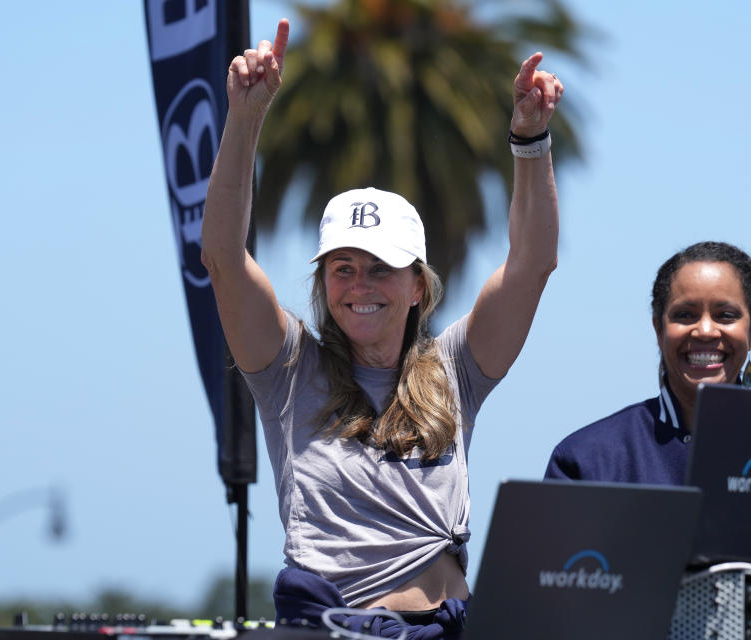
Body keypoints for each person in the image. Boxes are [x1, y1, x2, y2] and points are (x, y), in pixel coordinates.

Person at [200, 18, 563, 639]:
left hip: (451, 625)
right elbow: (223, 258)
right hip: (334, 630)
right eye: (343, 268)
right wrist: (245, 118)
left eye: (381, 269)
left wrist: (530, 142)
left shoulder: (456, 369)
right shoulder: (288, 371)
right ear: (322, 283)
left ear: (418, 285)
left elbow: (532, 264)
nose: (360, 286)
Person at [544, 241, 751, 551]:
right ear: (659, 329)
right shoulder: (587, 462)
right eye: (685, 315)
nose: (705, 331)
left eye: (725, 315)